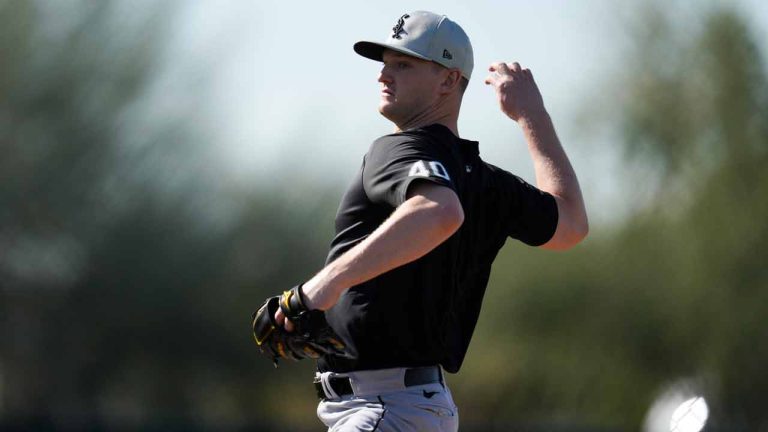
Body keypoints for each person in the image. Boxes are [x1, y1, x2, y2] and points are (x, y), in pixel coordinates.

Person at [273, 10, 588, 431]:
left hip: (383, 406)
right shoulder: (484, 181)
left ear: (448, 81)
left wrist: (320, 287)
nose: (385, 75)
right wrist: (532, 115)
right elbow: (569, 223)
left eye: (404, 64)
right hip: (414, 408)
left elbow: (439, 211)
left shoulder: (398, 151)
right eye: (385, 63)